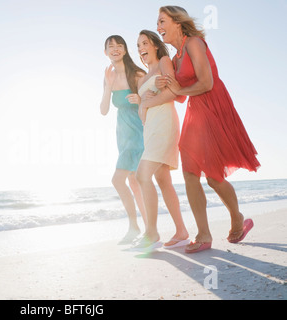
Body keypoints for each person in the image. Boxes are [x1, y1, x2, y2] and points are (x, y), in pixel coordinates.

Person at [156, 6, 260, 253]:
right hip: (195, 109)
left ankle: (237, 218)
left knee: (213, 176)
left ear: (178, 22)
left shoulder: (194, 42)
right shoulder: (175, 57)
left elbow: (207, 82)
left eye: (162, 21)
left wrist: (179, 90)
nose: (158, 26)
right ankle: (203, 235)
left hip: (213, 104)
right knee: (190, 171)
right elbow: (180, 97)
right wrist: (164, 84)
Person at [131, 30, 189, 251]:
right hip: (150, 130)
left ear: (155, 45)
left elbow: (174, 92)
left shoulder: (164, 61)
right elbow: (142, 113)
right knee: (163, 180)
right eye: (138, 46)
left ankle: (152, 234)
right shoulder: (142, 78)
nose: (141, 48)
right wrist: (143, 103)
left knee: (141, 175)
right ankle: (182, 232)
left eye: (144, 43)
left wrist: (148, 101)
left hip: (165, 126)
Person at [100, 35, 147, 244]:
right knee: (133, 182)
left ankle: (138, 227)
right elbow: (103, 110)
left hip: (138, 131)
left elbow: (153, 100)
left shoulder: (137, 74)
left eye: (119, 46)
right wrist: (108, 86)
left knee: (118, 180)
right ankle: (143, 229)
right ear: (105, 52)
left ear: (125, 50)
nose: (115, 49)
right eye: (111, 46)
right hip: (122, 133)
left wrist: (141, 98)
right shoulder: (108, 75)